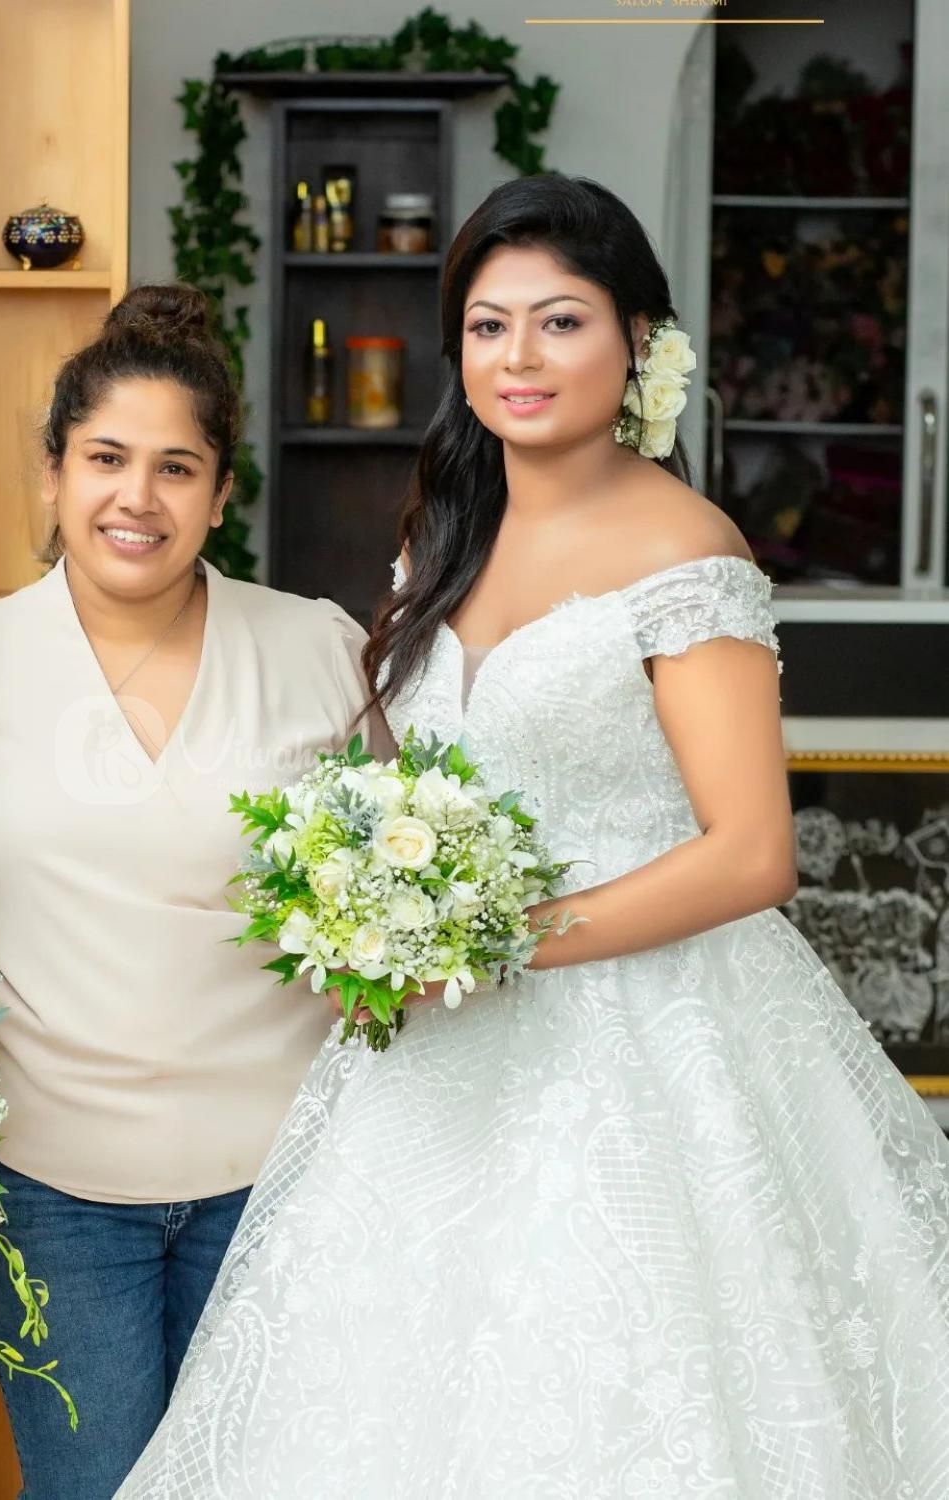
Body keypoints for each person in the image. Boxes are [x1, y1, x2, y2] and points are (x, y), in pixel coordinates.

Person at [117, 176, 949, 1497]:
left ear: (638, 343)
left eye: (561, 321)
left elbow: (752, 851)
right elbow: (410, 780)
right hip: (443, 1048)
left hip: (646, 1044)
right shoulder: (444, 533)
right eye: (489, 325)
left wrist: (494, 935)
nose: (521, 357)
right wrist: (363, 893)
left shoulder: (688, 551)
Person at [0, 283, 393, 1499]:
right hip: (51, 1187)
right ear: (52, 472)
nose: (136, 498)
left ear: (222, 492)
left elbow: (399, 883)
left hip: (281, 1176)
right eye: (105, 458)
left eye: (176, 468)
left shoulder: (317, 647)